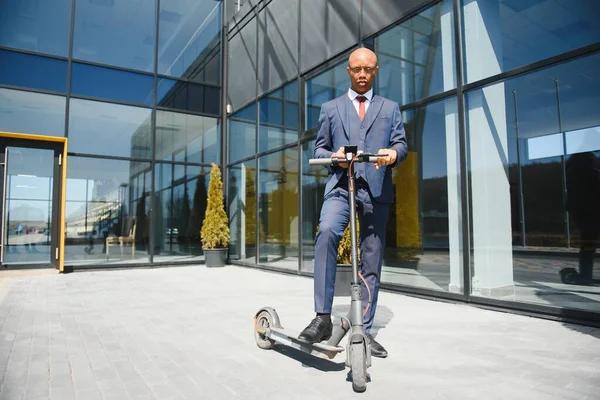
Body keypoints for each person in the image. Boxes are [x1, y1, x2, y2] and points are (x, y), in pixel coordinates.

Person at [298, 47, 407, 358]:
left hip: (375, 190)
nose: (362, 74)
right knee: (327, 232)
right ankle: (321, 318)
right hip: (339, 187)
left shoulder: (390, 108)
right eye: (357, 69)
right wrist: (331, 157)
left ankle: (364, 329)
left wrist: (394, 154)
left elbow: (401, 143)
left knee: (371, 257)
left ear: (375, 72)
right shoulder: (330, 108)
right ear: (348, 71)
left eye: (368, 69)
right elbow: (320, 149)